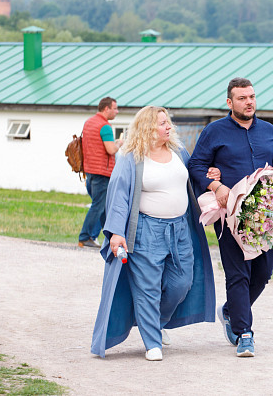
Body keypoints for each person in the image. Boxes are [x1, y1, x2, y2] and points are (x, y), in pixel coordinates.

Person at [188, 77, 273, 358]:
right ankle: (244, 334)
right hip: (229, 215)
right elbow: (197, 165)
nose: (249, 102)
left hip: (263, 213)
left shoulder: (270, 131)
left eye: (251, 96)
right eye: (242, 98)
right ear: (230, 102)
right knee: (237, 273)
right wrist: (217, 185)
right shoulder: (214, 132)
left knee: (263, 272)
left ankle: (230, 311)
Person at [91, 106, 217, 361]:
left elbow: (191, 179)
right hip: (146, 231)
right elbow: (118, 196)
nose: (168, 126)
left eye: (168, 122)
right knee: (146, 287)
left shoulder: (178, 151)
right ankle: (152, 342)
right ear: (147, 128)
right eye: (162, 123)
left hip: (180, 229)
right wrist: (116, 232)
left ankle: (154, 322)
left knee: (182, 282)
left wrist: (211, 176)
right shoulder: (130, 157)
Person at [78, 97, 123, 248]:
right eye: (115, 108)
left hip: (90, 170)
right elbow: (110, 149)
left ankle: (109, 237)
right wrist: (119, 143)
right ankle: (85, 236)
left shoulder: (89, 123)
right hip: (103, 172)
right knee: (98, 206)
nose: (117, 111)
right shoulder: (105, 127)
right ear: (106, 109)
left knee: (103, 207)